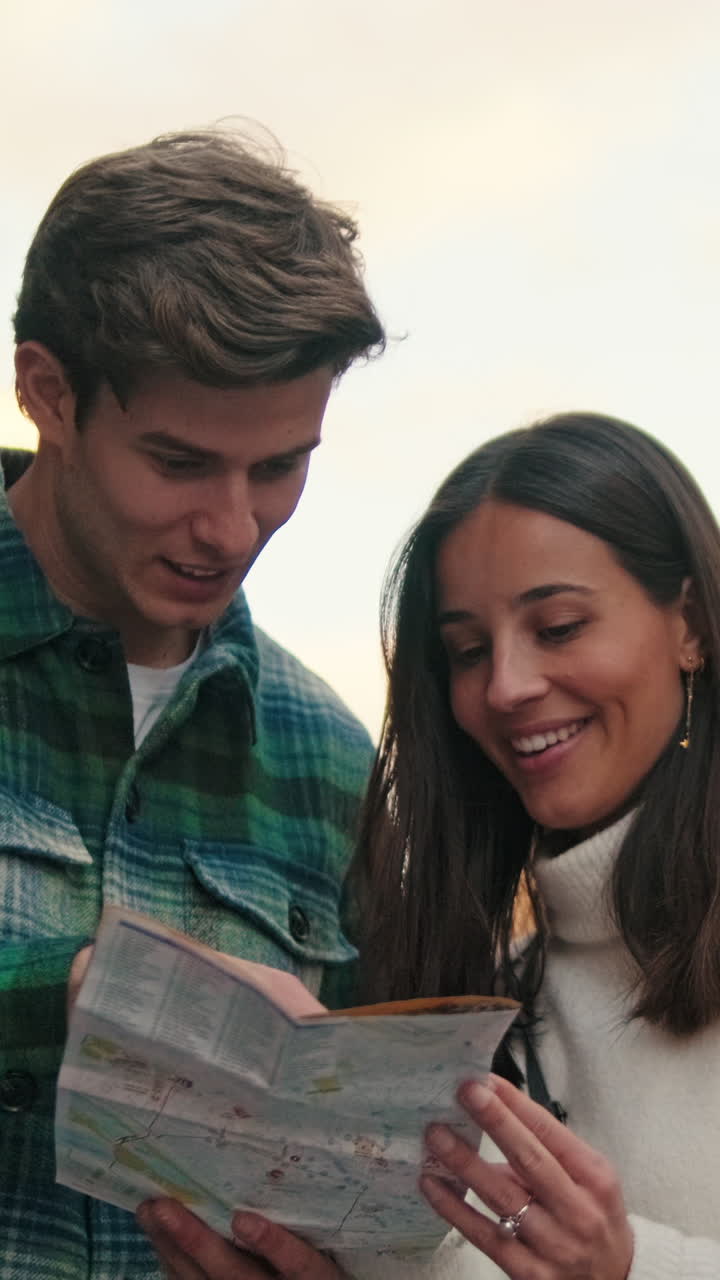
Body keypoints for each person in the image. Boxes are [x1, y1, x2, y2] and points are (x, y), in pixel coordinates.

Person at [150, 412, 720, 1280]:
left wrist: (630, 1269)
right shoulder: (471, 989)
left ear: (689, 624)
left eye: (558, 626)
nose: (507, 686)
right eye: (466, 650)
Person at [0, 127, 384, 1279]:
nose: (232, 528)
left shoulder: (331, 760)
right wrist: (66, 994)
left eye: (280, 467)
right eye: (178, 461)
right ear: (48, 392)